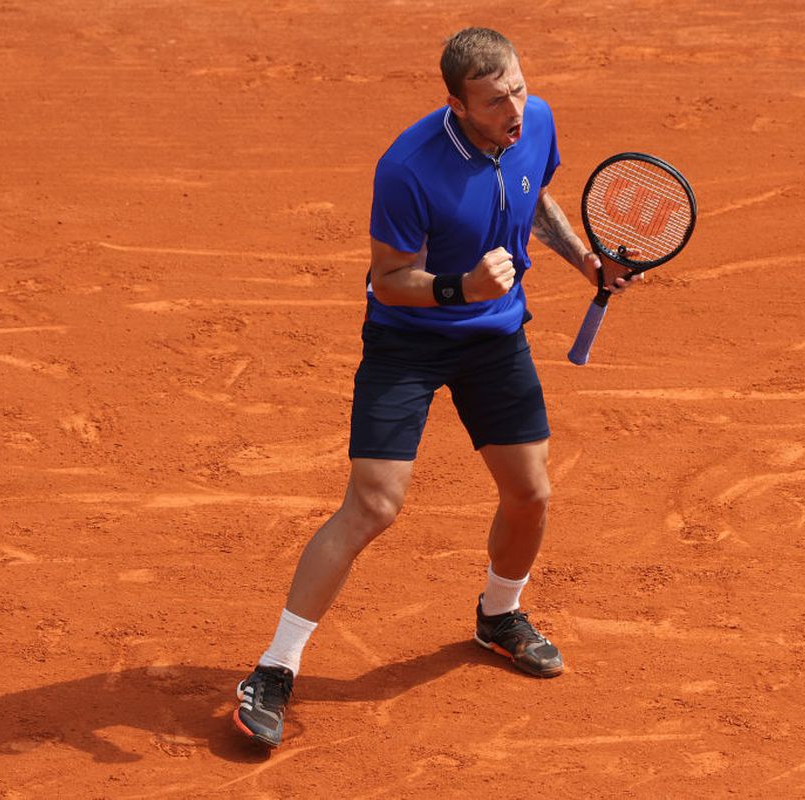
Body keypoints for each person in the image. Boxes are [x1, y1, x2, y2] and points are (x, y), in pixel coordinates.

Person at [233, 27, 643, 748]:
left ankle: (498, 616)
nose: (515, 107)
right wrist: (461, 286)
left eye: (518, 86)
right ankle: (273, 669)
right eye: (494, 100)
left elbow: (534, 197)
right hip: (409, 343)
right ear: (457, 104)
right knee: (373, 505)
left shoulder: (535, 120)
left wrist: (585, 261)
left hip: (494, 341)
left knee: (531, 492)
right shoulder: (407, 168)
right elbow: (390, 281)